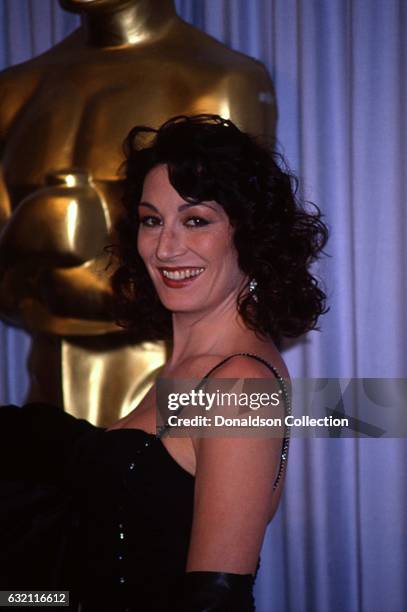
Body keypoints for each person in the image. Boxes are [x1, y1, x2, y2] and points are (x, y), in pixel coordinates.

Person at [0, 115, 328, 611]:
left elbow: (214, 602)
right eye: (152, 220)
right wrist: (20, 600)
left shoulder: (239, 385)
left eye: (196, 220)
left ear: (250, 234)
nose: (167, 246)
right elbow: (86, 586)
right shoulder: (187, 371)